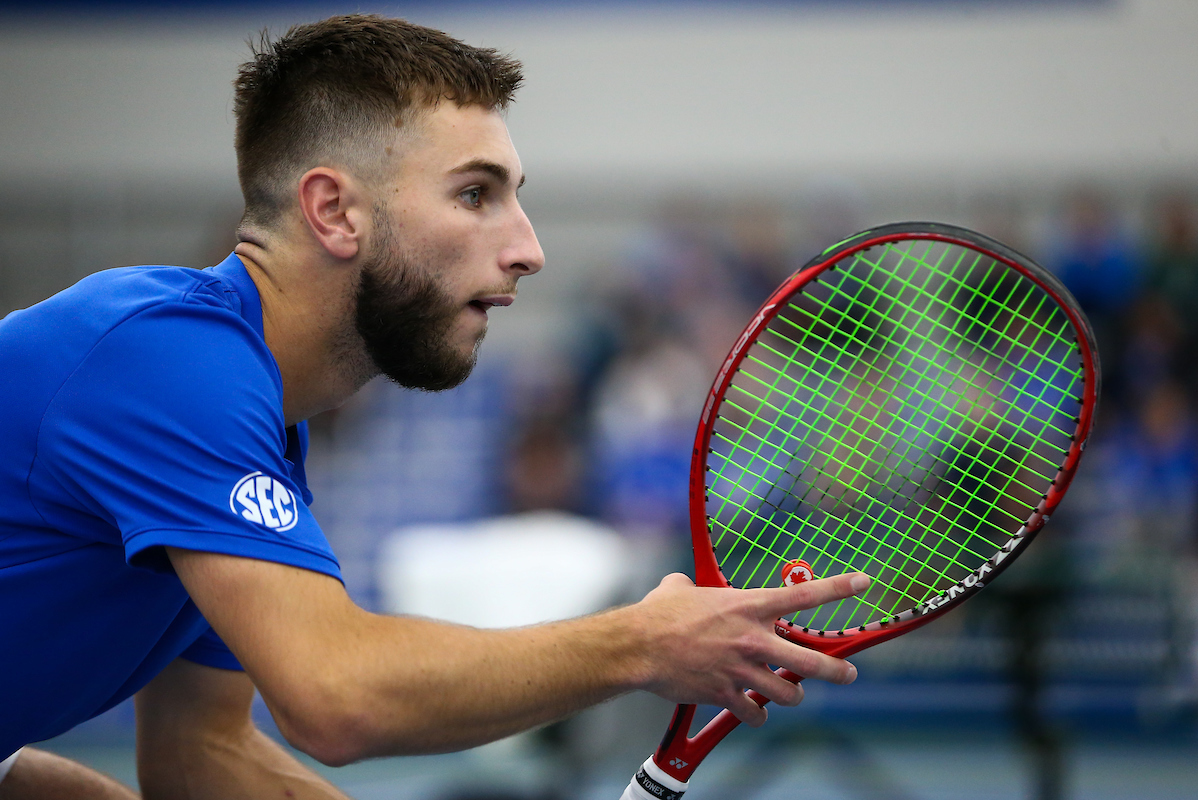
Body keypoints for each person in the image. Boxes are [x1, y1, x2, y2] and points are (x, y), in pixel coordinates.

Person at [0, 14, 867, 798]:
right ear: (334, 210)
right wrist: (641, 644)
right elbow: (335, 699)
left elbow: (202, 754)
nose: (528, 249)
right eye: (475, 194)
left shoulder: (254, 417)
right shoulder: (170, 367)